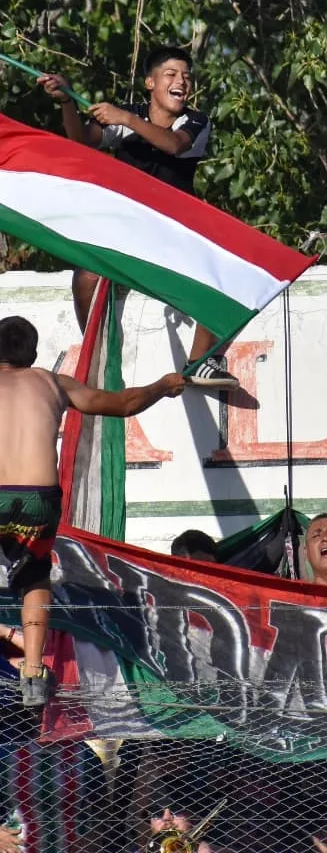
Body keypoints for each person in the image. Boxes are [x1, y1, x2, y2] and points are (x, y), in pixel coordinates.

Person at [0, 315, 184, 706]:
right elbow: (123, 403)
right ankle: (32, 671)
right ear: (33, 354)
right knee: (34, 577)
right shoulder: (51, 382)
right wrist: (162, 387)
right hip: (36, 497)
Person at [37, 47, 237, 389]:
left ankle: (203, 361)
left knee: (223, 269)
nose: (182, 82)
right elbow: (83, 141)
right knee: (85, 277)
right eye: (171, 75)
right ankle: (98, 357)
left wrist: (126, 119)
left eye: (187, 76)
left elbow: (173, 145)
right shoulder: (126, 115)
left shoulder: (195, 121)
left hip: (175, 231)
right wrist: (66, 101)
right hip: (129, 231)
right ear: (150, 83)